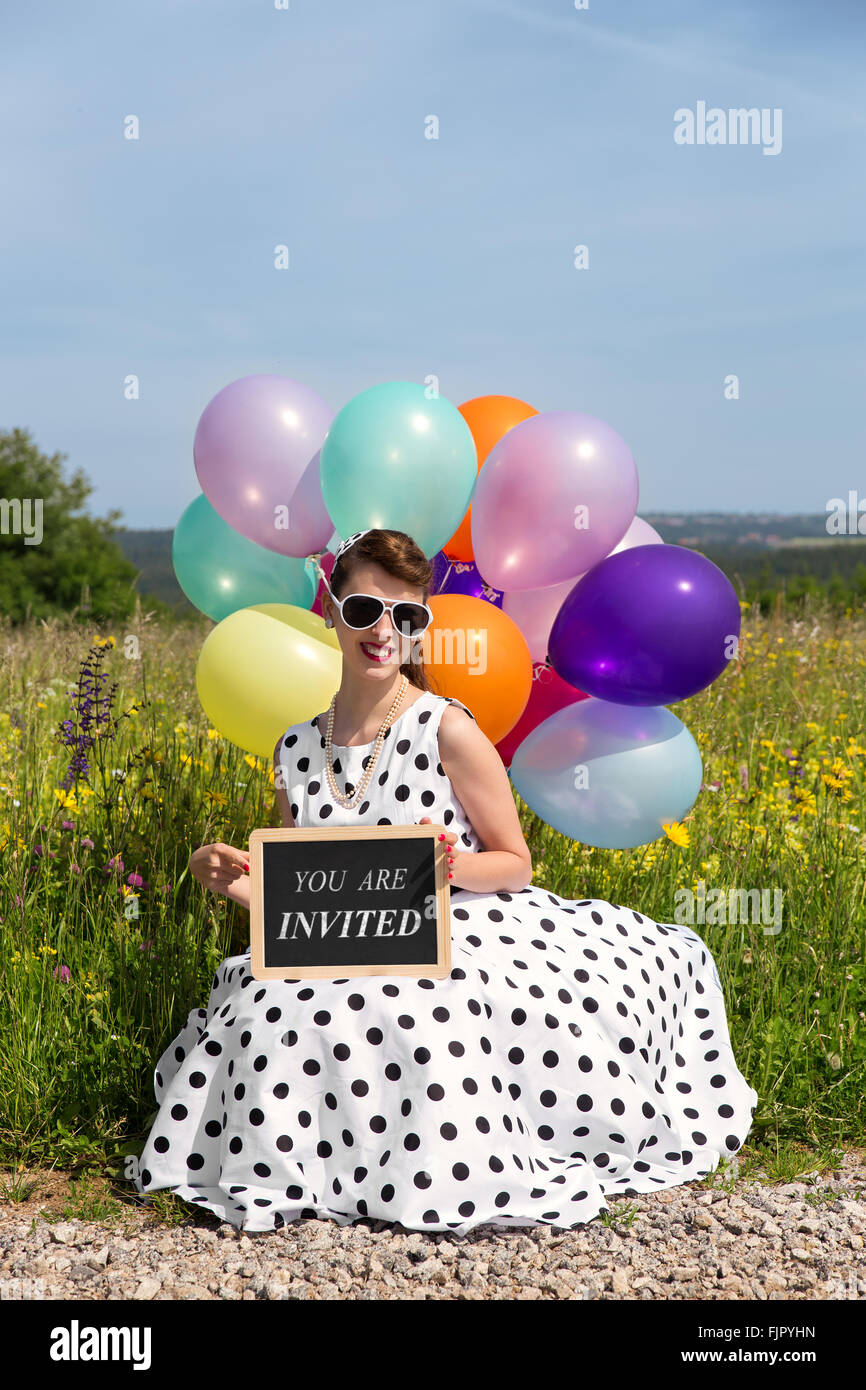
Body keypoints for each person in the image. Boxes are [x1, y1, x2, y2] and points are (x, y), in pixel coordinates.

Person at [130, 527, 758, 1234]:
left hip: (460, 923)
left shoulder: (446, 729)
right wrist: (232, 881)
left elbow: (514, 862)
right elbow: (297, 901)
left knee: (424, 1011)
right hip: (338, 944)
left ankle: (433, 1180)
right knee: (269, 1010)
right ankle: (316, 1178)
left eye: (408, 616)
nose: (385, 632)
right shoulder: (296, 748)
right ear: (331, 611)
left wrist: (443, 868)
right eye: (367, 611)